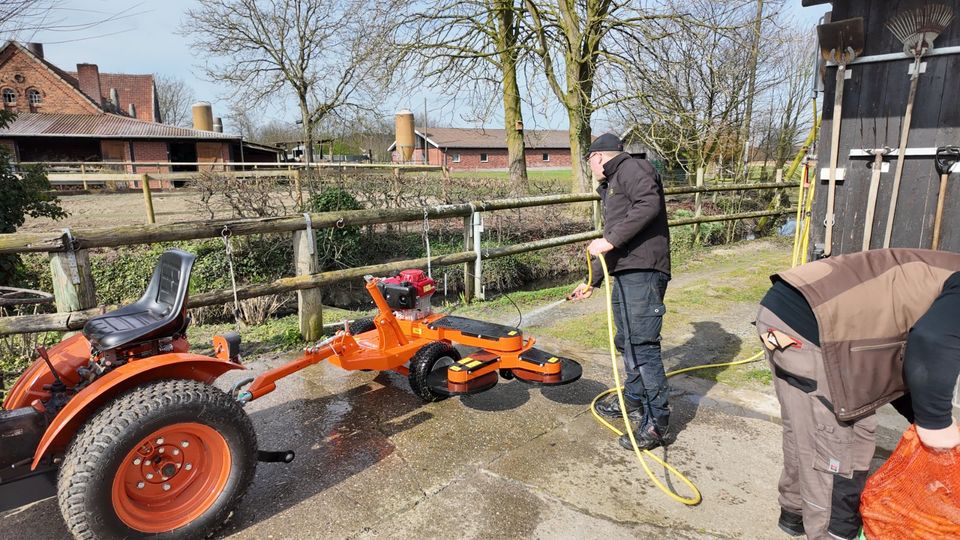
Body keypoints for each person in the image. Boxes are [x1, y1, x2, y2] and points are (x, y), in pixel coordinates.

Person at [755, 248, 960, 539]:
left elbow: (912, 353)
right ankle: (833, 533)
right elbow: (931, 342)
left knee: (804, 425)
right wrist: (935, 423)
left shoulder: (943, 266)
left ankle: (794, 512)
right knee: (843, 443)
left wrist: (920, 414)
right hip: (814, 328)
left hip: (780, 313)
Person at [569, 133, 671, 451]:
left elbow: (648, 204)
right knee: (625, 342)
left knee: (642, 348)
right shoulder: (613, 186)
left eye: (589, 163)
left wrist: (610, 241)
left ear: (598, 157)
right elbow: (614, 239)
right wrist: (592, 281)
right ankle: (633, 400)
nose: (591, 169)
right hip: (627, 274)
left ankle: (656, 424)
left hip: (644, 273)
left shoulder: (631, 168)